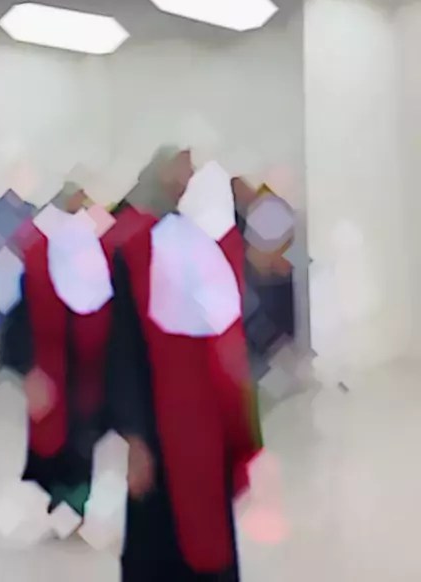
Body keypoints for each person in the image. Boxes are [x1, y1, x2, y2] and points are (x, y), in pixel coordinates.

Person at [108, 148, 263, 581]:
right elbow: (124, 348)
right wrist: (135, 436)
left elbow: (231, 350)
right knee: (159, 544)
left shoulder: (215, 255)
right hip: (158, 424)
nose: (186, 176)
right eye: (181, 167)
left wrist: (239, 433)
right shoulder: (135, 249)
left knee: (207, 538)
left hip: (208, 429)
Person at [0, 181, 116, 523]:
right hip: (49, 363)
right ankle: (55, 504)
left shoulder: (105, 249)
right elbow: (19, 314)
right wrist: (26, 367)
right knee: (52, 439)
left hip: (90, 364)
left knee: (83, 437)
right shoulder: (37, 251)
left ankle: (73, 506)